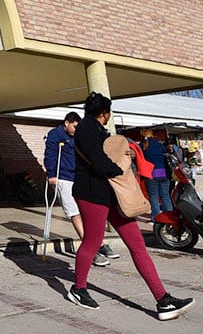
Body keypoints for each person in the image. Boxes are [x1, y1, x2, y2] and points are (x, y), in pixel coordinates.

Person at [67, 92, 195, 321]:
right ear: (104, 113)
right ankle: (78, 289)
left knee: (137, 244)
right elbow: (98, 159)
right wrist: (121, 166)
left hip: (112, 195)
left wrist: (123, 154)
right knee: (93, 241)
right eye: (108, 113)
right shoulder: (87, 128)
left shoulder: (98, 130)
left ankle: (163, 299)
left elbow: (106, 154)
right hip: (92, 193)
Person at [43, 111, 117, 267]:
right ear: (66, 123)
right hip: (63, 178)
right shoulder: (55, 135)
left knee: (87, 212)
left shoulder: (77, 136)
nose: (76, 130)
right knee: (75, 213)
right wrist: (51, 174)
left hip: (79, 178)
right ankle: (92, 249)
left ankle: (99, 243)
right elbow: (50, 154)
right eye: (74, 127)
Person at [142, 134, 174, 219]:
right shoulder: (160, 145)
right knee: (165, 196)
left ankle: (156, 217)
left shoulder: (143, 145)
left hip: (151, 173)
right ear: (152, 135)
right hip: (164, 173)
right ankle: (170, 216)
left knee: (153, 196)